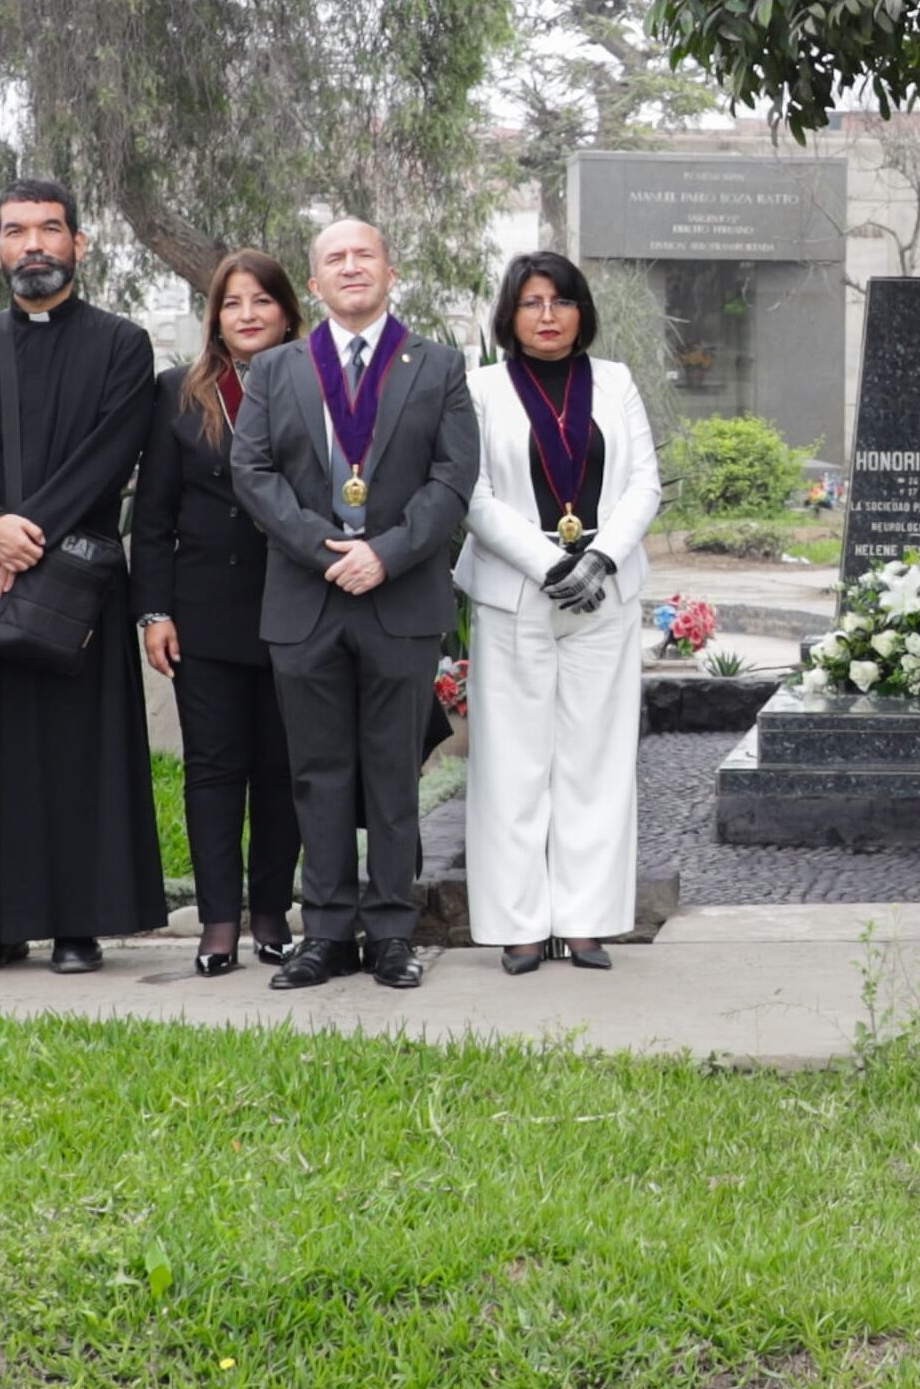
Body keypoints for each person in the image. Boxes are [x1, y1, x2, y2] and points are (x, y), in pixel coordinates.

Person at [0, 182, 176, 970]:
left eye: (50, 230)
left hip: (75, 586)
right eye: (16, 231)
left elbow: (110, 453)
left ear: (78, 245)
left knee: (75, 753)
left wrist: (21, 534)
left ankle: (78, 925)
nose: (33, 245)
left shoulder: (123, 345)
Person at [229, 214, 468, 986]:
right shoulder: (275, 370)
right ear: (316, 282)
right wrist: (322, 548)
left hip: (399, 598)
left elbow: (452, 478)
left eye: (365, 253)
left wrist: (386, 553)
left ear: (390, 271)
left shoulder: (438, 366)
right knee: (318, 772)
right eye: (335, 257)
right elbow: (254, 473)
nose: (352, 266)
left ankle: (394, 931)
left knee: (393, 771)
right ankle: (326, 931)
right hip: (308, 598)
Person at [459, 253, 661, 971]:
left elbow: (644, 483)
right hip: (517, 589)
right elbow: (474, 494)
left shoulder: (616, 382)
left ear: (582, 311)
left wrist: (600, 558)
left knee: (596, 758)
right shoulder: (480, 386)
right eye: (531, 301)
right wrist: (549, 565)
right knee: (513, 761)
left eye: (561, 300)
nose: (548, 314)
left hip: (604, 591)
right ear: (509, 315)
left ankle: (586, 920)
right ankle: (517, 924)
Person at [134, 247, 306, 975]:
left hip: (297, 605)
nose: (246, 314)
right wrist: (153, 612)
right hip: (203, 612)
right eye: (232, 303)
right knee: (212, 769)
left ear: (287, 311)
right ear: (215, 317)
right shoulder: (178, 392)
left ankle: (270, 913)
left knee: (282, 766)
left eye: (260, 301)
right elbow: (152, 518)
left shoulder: (316, 386)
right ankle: (218, 922)